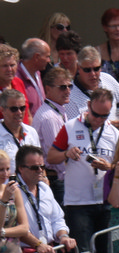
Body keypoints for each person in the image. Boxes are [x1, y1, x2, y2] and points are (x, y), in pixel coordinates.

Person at [48, 88, 119, 253]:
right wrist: (67, 154)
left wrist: (109, 167)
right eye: (96, 115)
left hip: (104, 202)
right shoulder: (70, 127)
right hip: (78, 203)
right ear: (88, 107)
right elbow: (51, 157)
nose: (99, 120)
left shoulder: (113, 132)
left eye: (105, 116)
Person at [67, 47, 119, 125]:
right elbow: (76, 128)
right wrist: (109, 126)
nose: (93, 74)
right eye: (87, 70)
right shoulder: (69, 94)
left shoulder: (107, 79)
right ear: (79, 68)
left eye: (96, 69)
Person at [33, 67, 71, 202]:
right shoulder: (50, 117)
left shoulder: (57, 112)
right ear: (48, 89)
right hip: (57, 179)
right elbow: (55, 156)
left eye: (70, 86)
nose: (68, 91)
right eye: (62, 87)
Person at [0, 89, 41, 175]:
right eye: (14, 109)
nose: (19, 112)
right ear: (2, 110)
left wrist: (44, 178)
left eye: (22, 108)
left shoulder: (31, 132)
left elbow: (40, 163)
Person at [18, 39, 52, 119]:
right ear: (36, 57)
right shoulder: (16, 78)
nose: (49, 60)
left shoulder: (37, 73)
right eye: (47, 56)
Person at [0, 46, 29, 125]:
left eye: (12, 65)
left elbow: (28, 114)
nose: (9, 69)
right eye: (5, 66)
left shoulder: (19, 82)